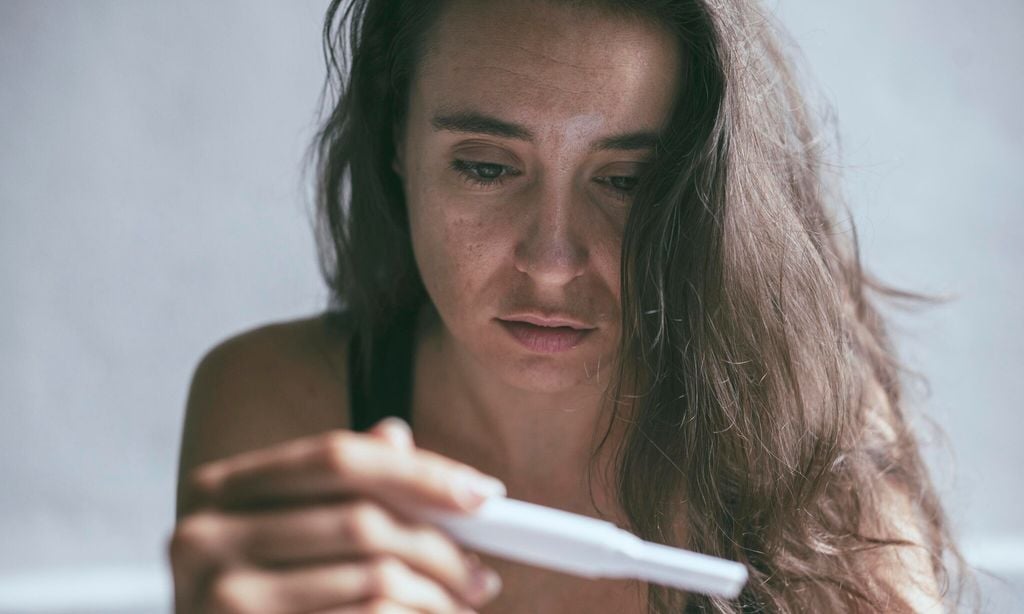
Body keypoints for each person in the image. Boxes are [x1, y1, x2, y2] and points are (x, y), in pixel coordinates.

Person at [169, 0, 972, 612]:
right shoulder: (278, 403)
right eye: (485, 168)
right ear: (394, 144)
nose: (553, 263)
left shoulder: (806, 418)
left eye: (626, 182)